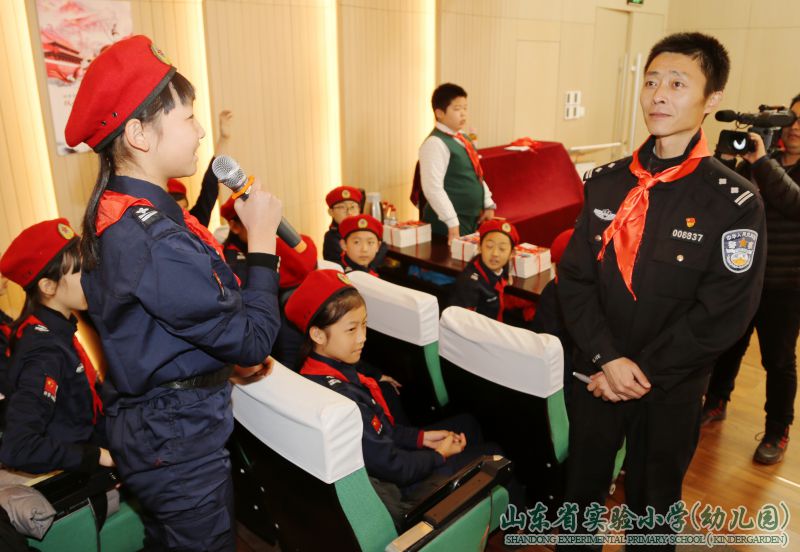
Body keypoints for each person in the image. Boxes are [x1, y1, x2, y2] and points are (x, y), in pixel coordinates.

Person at [64, 35, 283, 550]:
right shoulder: (151, 238)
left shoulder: (121, 213)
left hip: (156, 428)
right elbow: (255, 341)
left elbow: (155, 328)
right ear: (139, 134)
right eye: (188, 118)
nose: (201, 130)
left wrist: (217, 365)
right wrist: (262, 242)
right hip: (176, 439)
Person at [556, 32, 766, 549]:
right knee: (579, 499)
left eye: (677, 83)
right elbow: (575, 279)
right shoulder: (606, 182)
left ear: (711, 99)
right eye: (651, 82)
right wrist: (607, 359)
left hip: (669, 386)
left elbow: (724, 312)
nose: (659, 96)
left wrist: (639, 371)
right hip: (596, 375)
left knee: (652, 510)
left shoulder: (734, 202)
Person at [285, 269, 499, 525]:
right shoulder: (341, 400)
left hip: (389, 465)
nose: (363, 337)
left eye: (364, 324)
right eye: (351, 329)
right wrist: (439, 455)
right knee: (494, 456)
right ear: (318, 334)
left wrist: (422, 438)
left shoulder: (322, 368)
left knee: (468, 424)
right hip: (398, 494)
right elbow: (394, 466)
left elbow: (382, 431)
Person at [702, 93, 800, 464]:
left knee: (778, 360)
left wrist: (760, 162)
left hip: (785, 284)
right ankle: (716, 401)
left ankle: (777, 428)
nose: (796, 127)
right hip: (743, 275)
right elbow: (722, 202)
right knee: (728, 344)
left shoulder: (762, 162)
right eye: (792, 118)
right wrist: (726, 162)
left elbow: (793, 202)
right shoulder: (759, 159)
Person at [0, 219, 112, 474]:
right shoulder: (44, 349)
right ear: (48, 286)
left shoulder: (57, 330)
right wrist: (99, 456)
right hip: (81, 474)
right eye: (79, 271)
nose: (89, 278)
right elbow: (19, 447)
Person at [218, 195, 317, 369]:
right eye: (253, 220)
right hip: (264, 341)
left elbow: (305, 262)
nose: (263, 224)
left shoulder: (262, 245)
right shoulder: (232, 262)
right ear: (234, 226)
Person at [419, 83, 496, 243]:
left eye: (465, 108)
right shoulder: (435, 143)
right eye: (457, 109)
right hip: (447, 225)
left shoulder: (462, 137)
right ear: (439, 113)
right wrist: (452, 222)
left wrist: (488, 203)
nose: (463, 114)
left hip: (469, 219)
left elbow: (476, 173)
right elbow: (433, 188)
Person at [166, 109, 234, 227]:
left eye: (184, 210)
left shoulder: (195, 223)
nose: (182, 217)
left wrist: (224, 139)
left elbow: (210, 184)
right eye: (176, 213)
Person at [449, 219, 518, 322]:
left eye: (502, 249)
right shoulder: (469, 283)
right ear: (479, 247)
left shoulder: (502, 268)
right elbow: (463, 322)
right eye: (489, 246)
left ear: (512, 254)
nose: (495, 253)